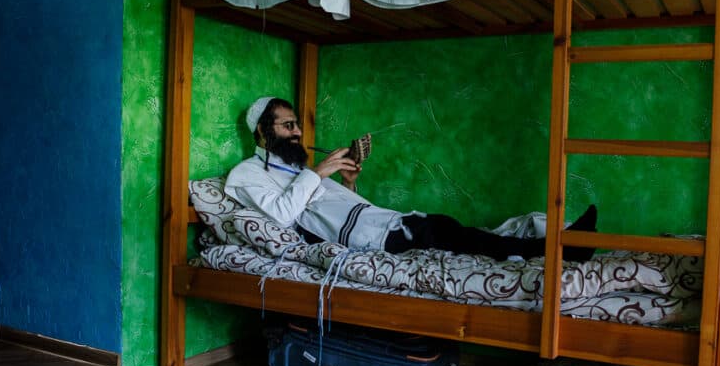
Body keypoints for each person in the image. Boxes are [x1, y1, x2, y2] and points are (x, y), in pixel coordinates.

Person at [225, 97, 597, 262]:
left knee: (453, 229)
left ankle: (555, 242)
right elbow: (282, 215)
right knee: (451, 232)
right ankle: (557, 250)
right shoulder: (247, 174)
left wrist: (351, 183)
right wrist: (318, 172)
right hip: (374, 238)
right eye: (287, 125)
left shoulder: (296, 169)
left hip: (380, 222)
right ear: (262, 131)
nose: (295, 132)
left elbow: (329, 206)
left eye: (296, 125)